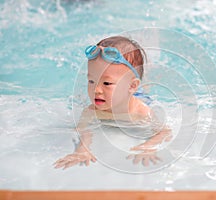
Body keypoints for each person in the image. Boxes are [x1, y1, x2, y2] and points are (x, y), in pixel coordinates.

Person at [54, 36, 171, 169]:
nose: (96, 90)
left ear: (132, 86)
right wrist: (82, 149)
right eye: (91, 81)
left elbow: (164, 132)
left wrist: (149, 146)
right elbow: (83, 130)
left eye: (107, 83)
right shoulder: (91, 111)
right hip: (124, 94)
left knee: (144, 88)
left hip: (139, 96)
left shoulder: (141, 112)